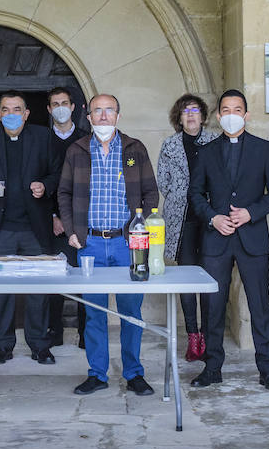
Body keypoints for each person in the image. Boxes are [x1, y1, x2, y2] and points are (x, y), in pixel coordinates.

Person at [57, 93, 159, 395]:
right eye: (97, 111)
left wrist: (140, 229)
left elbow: (151, 194)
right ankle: (97, 374)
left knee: (131, 313)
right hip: (89, 243)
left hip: (126, 244)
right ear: (88, 116)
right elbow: (63, 193)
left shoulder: (134, 149)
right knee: (94, 313)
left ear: (118, 115)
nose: (103, 116)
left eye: (109, 111)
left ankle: (134, 374)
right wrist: (72, 230)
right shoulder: (76, 150)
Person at [188, 89, 269, 391]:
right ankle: (212, 366)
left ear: (246, 114)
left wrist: (251, 213)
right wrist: (213, 218)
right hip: (216, 238)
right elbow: (195, 194)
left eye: (237, 109)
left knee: (259, 304)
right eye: (226, 110)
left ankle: (267, 369)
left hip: (251, 237)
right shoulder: (205, 152)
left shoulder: (263, 149)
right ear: (218, 116)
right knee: (213, 305)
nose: (231, 114)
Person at [0, 90, 63, 365]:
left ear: (27, 113)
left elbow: (57, 172)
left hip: (35, 227)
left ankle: (39, 346)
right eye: (6, 109)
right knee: (2, 290)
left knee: (38, 289)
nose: (11, 114)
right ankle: (3, 346)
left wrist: (45, 186)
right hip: (2, 229)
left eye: (17, 109)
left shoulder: (44, 137)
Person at [155, 93, 216, 361]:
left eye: (195, 110)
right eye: (185, 111)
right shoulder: (169, 145)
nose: (190, 115)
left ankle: (209, 336)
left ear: (203, 115)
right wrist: (183, 195)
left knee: (210, 278)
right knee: (187, 279)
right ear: (178, 118)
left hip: (211, 220)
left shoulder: (215, 141)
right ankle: (193, 337)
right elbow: (163, 182)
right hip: (183, 222)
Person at [45, 86, 84, 346]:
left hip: (83, 220)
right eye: (55, 104)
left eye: (64, 103)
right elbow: (38, 180)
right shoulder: (41, 140)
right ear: (49, 110)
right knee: (53, 278)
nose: (60, 107)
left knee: (84, 279)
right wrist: (53, 216)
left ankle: (85, 334)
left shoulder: (86, 139)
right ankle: (54, 333)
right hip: (53, 222)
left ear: (72, 107)